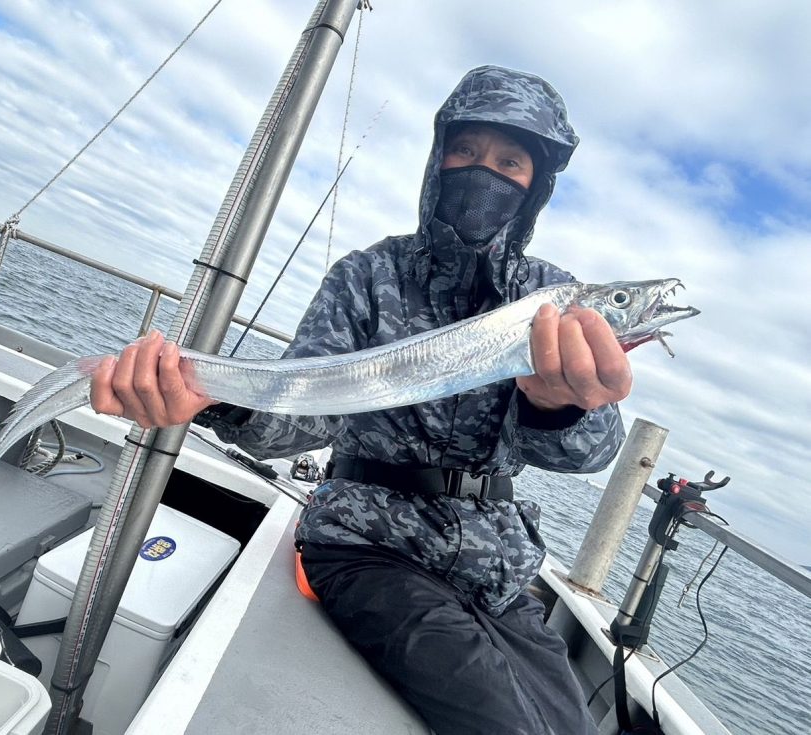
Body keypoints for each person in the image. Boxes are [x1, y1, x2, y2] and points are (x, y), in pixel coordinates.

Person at [90, 65, 630, 735]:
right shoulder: (369, 275)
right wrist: (209, 398)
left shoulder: (550, 297)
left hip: (496, 569)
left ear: (536, 186)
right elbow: (302, 409)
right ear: (439, 158)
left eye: (509, 160)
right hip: (368, 543)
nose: (482, 171)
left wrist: (562, 405)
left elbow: (595, 450)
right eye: (466, 150)